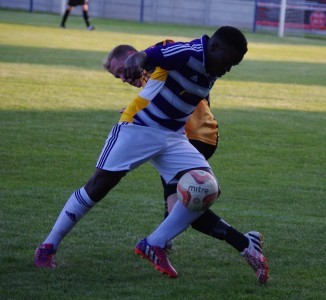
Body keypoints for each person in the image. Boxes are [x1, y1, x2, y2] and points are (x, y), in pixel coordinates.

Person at [34, 26, 268, 284]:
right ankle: (48, 247)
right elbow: (154, 53)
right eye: (229, 62)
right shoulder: (188, 51)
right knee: (97, 187)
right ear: (215, 47)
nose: (228, 69)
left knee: (206, 189)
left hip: (173, 137)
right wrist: (136, 59)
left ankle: (154, 243)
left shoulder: (212, 64)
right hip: (139, 128)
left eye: (234, 65)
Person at [103, 42, 269, 283]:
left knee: (190, 203)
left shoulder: (161, 61)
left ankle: (244, 243)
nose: (122, 78)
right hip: (175, 137)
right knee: (184, 205)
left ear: (131, 57)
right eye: (116, 75)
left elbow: (179, 64)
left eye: (120, 70)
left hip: (194, 138)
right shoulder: (155, 75)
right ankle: (162, 241)